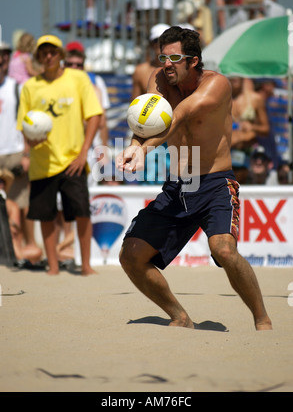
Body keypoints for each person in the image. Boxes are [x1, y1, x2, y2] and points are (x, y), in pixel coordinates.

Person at [117, 26, 272, 331]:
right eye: (163, 56)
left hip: (215, 184)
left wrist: (143, 151)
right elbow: (148, 118)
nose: (167, 64)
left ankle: (262, 319)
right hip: (178, 184)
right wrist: (135, 145)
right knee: (130, 257)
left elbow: (177, 117)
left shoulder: (217, 85)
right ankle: (180, 316)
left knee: (224, 250)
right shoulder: (159, 79)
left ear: (194, 60)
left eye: (175, 57)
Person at [16, 34, 103, 275]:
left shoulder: (78, 78)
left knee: (82, 213)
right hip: (42, 163)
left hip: (73, 161)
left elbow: (94, 115)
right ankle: (52, 266)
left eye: (53, 51)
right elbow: (24, 125)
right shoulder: (30, 87)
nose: (49, 55)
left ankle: (85, 265)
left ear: (61, 54)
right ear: (38, 56)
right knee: (46, 216)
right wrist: (31, 143)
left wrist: (84, 153)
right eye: (43, 52)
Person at [0, 49, 42, 263]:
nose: (1, 59)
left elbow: (28, 123)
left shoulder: (16, 88)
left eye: (4, 55)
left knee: (21, 204)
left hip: (14, 151)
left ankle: (28, 246)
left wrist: (26, 154)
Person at [64, 40, 111, 186]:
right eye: (70, 64)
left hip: (88, 149)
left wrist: (103, 152)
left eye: (78, 65)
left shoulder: (95, 84)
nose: (75, 68)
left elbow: (102, 122)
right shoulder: (57, 84)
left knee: (86, 199)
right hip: (63, 149)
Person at [131, 23, 171, 185]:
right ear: (151, 45)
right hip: (149, 133)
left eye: (164, 41)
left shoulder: (178, 71)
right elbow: (134, 106)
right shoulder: (141, 71)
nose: (160, 46)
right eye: (157, 42)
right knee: (148, 182)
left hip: (173, 133)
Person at [230, 77, 270, 184]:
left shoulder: (255, 99)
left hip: (249, 156)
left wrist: (252, 127)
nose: (233, 76)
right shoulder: (223, 99)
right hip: (229, 155)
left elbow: (266, 129)